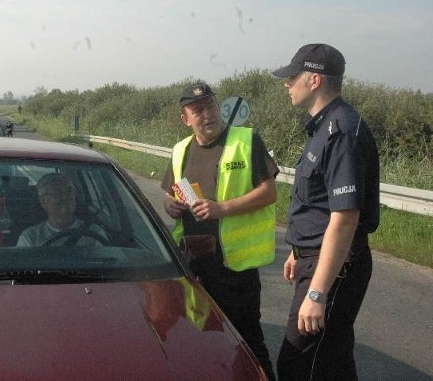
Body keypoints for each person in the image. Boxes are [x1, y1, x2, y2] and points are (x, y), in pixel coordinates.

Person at [271, 43, 380, 380]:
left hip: (332, 267)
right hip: (315, 257)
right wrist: (296, 250)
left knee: (298, 366)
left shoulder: (341, 131)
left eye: (292, 77)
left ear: (314, 80)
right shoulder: (324, 126)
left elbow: (345, 218)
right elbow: (318, 202)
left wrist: (317, 293)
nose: (287, 84)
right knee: (332, 362)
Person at [161, 82, 278, 380]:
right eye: (197, 110)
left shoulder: (246, 140)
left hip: (234, 269)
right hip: (192, 268)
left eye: (210, 106)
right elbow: (169, 193)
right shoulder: (180, 151)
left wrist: (221, 208)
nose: (207, 114)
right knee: (201, 343)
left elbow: (269, 193)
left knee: (248, 343)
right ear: (185, 119)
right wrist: (170, 205)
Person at [16, 173, 107, 247]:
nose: (64, 197)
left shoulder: (95, 232)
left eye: (69, 191)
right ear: (43, 201)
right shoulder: (30, 237)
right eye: (57, 193)